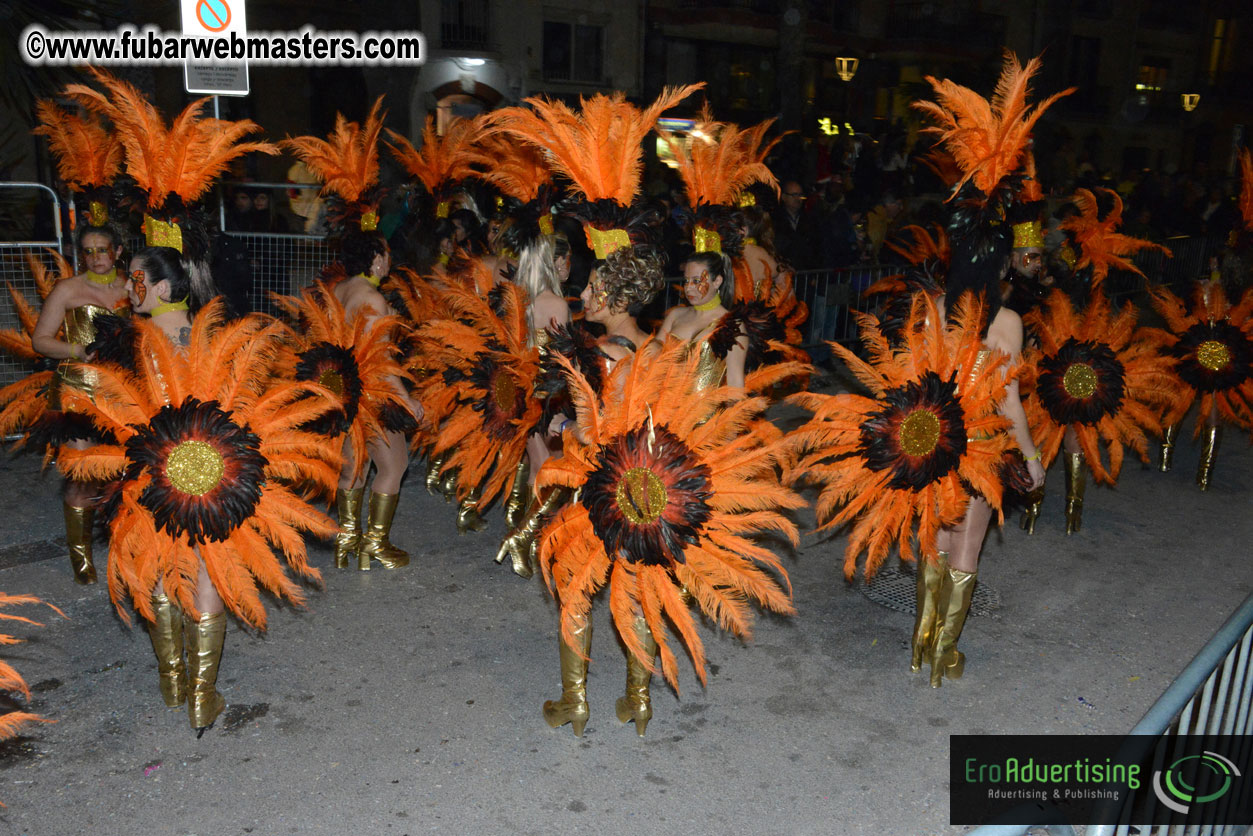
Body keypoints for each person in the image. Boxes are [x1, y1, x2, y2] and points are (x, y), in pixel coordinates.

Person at [30, 223, 129, 584]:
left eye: (103, 249)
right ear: (80, 255)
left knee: (123, 474)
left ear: (118, 251)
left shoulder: (133, 287)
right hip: (77, 392)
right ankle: (81, 557)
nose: (96, 257)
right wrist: (80, 352)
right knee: (82, 476)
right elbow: (41, 341)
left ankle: (126, 550)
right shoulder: (68, 289)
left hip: (122, 394)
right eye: (88, 251)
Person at [655, 251, 747, 389]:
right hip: (665, 407)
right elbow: (652, 359)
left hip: (708, 409)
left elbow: (735, 382)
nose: (688, 287)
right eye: (686, 280)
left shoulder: (731, 325)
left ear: (717, 281)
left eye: (697, 281)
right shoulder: (675, 315)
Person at [771, 180, 821, 271]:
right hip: (785, 272)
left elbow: (816, 247)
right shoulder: (775, 220)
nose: (798, 199)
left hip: (806, 273)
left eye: (800, 195)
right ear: (784, 197)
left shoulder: (810, 220)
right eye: (794, 195)